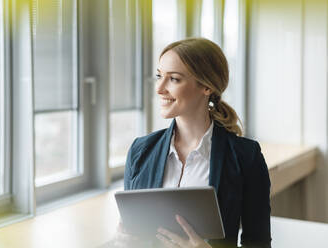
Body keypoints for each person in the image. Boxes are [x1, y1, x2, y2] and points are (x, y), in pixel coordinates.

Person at [114, 38, 271, 248]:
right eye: (159, 76)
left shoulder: (246, 156)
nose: (159, 88)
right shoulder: (140, 151)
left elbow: (258, 243)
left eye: (174, 79)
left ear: (206, 86)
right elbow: (134, 231)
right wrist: (124, 242)